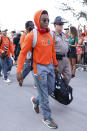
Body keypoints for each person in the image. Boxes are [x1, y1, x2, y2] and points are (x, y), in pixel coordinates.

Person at [16, 10, 59, 129]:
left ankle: (35, 100)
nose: (46, 22)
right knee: (44, 93)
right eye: (43, 20)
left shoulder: (52, 34)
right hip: (38, 68)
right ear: (37, 21)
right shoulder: (32, 35)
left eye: (48, 20)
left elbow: (52, 51)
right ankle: (47, 117)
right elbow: (22, 53)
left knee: (50, 89)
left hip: (50, 66)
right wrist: (19, 70)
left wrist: (55, 65)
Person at [54, 16, 71, 84]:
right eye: (60, 24)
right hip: (58, 59)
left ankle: (62, 88)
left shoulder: (64, 35)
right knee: (56, 77)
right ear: (55, 25)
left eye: (62, 24)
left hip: (66, 58)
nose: (61, 26)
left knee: (68, 75)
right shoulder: (53, 35)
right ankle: (56, 90)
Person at [19, 21, 34, 86]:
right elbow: (23, 48)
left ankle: (37, 84)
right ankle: (21, 79)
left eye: (33, 25)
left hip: (34, 57)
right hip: (28, 57)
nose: (33, 26)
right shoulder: (24, 35)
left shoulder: (33, 33)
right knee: (26, 71)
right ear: (27, 27)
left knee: (36, 72)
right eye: (31, 25)